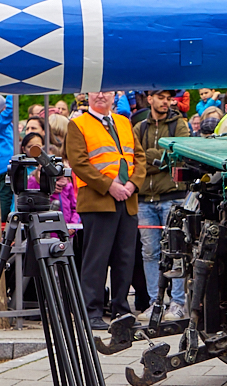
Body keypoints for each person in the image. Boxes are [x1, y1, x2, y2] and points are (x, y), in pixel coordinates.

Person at [65, 91, 146, 329]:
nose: (101, 95)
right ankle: (91, 312)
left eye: (107, 91)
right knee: (96, 259)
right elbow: (78, 162)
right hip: (99, 200)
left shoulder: (123, 121)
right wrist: (109, 186)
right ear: (87, 96)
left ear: (115, 96)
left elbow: (138, 157)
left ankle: (121, 311)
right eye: (96, 91)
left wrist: (133, 184)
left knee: (125, 259)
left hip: (127, 199)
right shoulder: (78, 124)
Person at [134, 90, 189, 321]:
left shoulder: (181, 125)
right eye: (161, 97)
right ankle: (154, 302)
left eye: (169, 98)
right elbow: (133, 158)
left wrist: (150, 160)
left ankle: (178, 302)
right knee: (149, 253)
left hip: (172, 196)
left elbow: (179, 156)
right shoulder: (139, 128)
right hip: (145, 199)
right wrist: (160, 159)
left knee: (176, 251)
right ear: (150, 99)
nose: (166, 102)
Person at [0, 95, 14, 222]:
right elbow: (11, 109)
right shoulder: (0, 121)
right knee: (5, 194)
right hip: (5, 164)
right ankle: (1, 221)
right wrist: (11, 92)